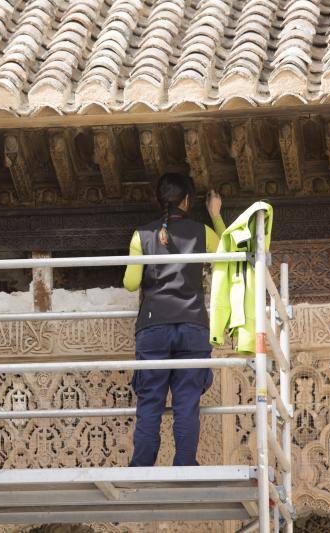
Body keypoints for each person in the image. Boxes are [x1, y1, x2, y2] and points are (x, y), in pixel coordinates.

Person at [123, 173, 225, 467]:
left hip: (153, 327)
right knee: (186, 402)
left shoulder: (141, 235)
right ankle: (184, 464)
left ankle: (141, 466)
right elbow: (228, 256)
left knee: (150, 402)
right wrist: (215, 216)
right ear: (187, 201)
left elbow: (131, 283)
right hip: (192, 325)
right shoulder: (201, 232)